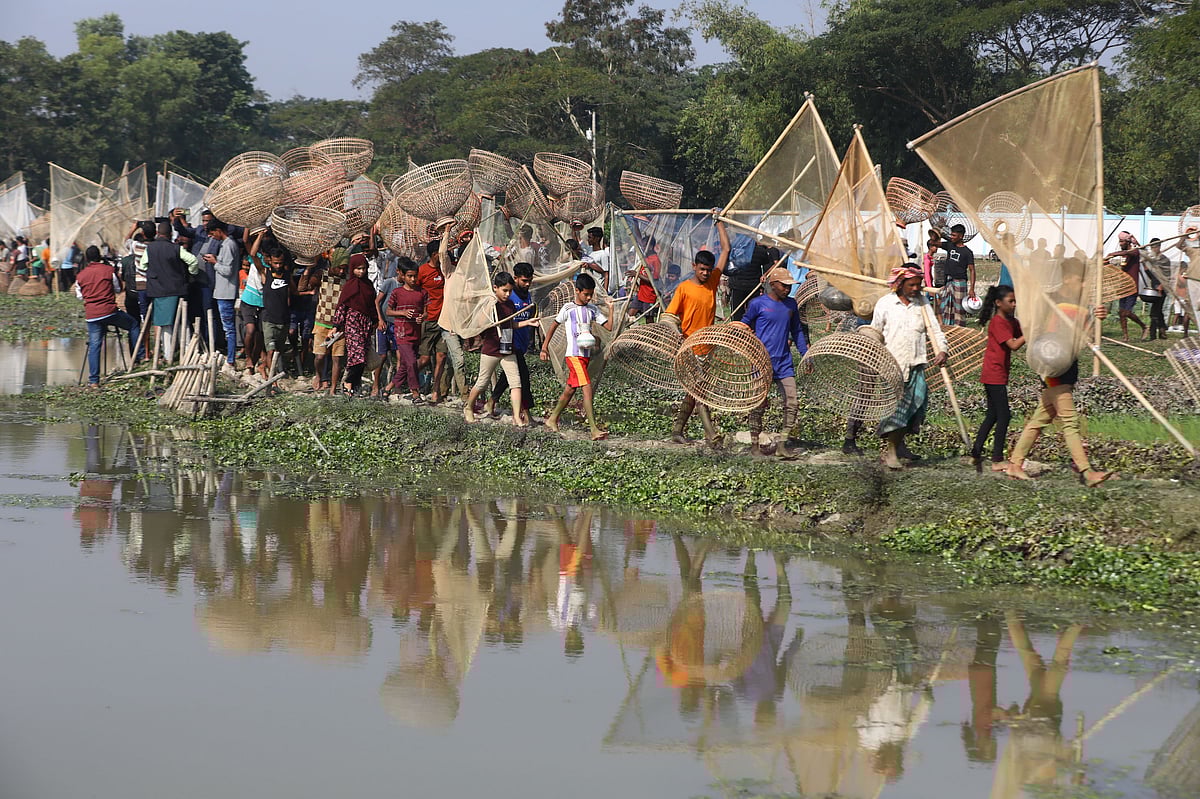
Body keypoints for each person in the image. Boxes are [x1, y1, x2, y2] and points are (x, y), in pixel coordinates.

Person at [1006, 258, 1113, 487]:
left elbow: (1086, 338)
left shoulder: (1084, 305)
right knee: (1070, 422)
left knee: (1038, 421)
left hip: (1069, 364)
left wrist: (1097, 319)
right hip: (1052, 366)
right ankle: (1086, 471)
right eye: (1080, 280)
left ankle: (1015, 464)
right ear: (1067, 278)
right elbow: (1036, 332)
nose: (1084, 285)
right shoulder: (1050, 300)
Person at [871, 264, 948, 469]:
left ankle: (899, 445)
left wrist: (942, 350)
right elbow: (875, 333)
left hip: (915, 362)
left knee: (917, 404)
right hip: (892, 365)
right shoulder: (885, 304)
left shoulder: (922, 304)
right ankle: (890, 452)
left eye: (918, 285)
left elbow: (935, 330)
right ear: (900, 284)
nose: (916, 289)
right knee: (898, 409)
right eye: (912, 285)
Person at [665, 217, 731, 447]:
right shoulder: (684, 289)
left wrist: (719, 221)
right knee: (701, 392)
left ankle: (677, 430)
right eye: (702, 269)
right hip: (690, 349)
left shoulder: (713, 282)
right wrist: (678, 336)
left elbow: (726, 249)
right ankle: (712, 435)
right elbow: (669, 316)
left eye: (708, 270)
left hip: (707, 348)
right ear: (694, 266)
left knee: (694, 392)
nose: (705, 273)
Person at [739, 266, 808, 458]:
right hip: (761, 362)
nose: (787, 289)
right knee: (758, 404)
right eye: (784, 285)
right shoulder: (758, 304)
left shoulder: (791, 305)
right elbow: (744, 324)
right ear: (773, 284)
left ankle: (782, 444)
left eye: (789, 286)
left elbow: (797, 331)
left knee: (792, 402)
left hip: (784, 362)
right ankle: (754, 445)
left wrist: (805, 354)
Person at [540, 273, 615, 440]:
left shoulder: (592, 309)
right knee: (587, 389)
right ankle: (593, 429)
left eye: (590, 294)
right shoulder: (568, 308)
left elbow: (609, 327)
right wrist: (544, 348)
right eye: (585, 294)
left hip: (584, 356)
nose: (588, 297)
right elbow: (553, 326)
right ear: (577, 291)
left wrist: (611, 308)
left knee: (570, 390)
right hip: (573, 355)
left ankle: (552, 419)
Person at [465, 272, 539, 426]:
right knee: (482, 383)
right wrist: (489, 309)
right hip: (491, 350)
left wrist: (528, 322)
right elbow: (480, 324)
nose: (508, 294)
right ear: (495, 288)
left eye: (510, 291)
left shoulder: (510, 304)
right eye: (504, 291)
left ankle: (517, 417)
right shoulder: (489, 304)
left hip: (507, 349)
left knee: (516, 383)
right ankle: (469, 407)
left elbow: (510, 324)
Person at [970, 285, 1024, 472]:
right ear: (998, 303)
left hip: (997, 373)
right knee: (1004, 416)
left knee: (993, 415)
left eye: (1016, 301)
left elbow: (1020, 331)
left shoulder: (1010, 321)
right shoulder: (998, 323)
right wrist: (1029, 332)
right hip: (994, 374)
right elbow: (1014, 344)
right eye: (1011, 301)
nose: (1014, 304)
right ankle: (997, 459)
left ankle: (976, 453)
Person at [75, 246, 141, 386]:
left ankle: (94, 381)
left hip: (92, 315)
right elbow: (117, 288)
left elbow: (80, 296)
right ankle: (139, 357)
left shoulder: (80, 275)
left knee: (94, 345)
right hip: (110, 311)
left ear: (87, 259)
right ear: (99, 256)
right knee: (134, 324)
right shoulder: (108, 271)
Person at [140, 221, 200, 359]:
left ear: (157, 233)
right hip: (177, 290)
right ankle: (186, 353)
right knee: (182, 323)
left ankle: (168, 356)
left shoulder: (150, 249)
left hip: (159, 291)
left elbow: (143, 266)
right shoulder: (176, 248)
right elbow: (193, 261)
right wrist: (192, 273)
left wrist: (154, 272)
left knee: (165, 324)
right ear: (170, 234)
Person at [489, 261, 536, 421]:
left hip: (521, 344)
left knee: (507, 378)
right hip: (510, 343)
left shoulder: (527, 295)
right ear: (515, 278)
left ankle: (491, 401)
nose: (527, 284)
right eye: (524, 280)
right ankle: (526, 413)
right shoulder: (508, 297)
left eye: (530, 280)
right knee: (524, 378)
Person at [332, 253, 378, 395]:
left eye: (363, 268)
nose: (361, 271)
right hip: (352, 323)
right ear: (352, 269)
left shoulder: (368, 285)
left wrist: (375, 321)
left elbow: (371, 305)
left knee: (362, 356)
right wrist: (336, 326)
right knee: (357, 355)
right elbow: (342, 307)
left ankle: (353, 387)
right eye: (358, 268)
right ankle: (347, 383)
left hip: (366, 324)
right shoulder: (349, 286)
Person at [386, 259, 426, 404]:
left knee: (405, 365)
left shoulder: (422, 292)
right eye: (409, 276)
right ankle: (415, 392)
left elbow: (426, 312)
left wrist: (422, 317)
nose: (413, 279)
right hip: (401, 333)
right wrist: (403, 313)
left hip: (416, 332)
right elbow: (389, 311)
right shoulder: (397, 292)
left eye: (415, 276)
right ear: (402, 275)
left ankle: (388, 388)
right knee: (411, 362)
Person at [416, 241, 450, 403]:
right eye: (440, 253)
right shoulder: (422, 271)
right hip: (428, 320)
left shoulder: (447, 269)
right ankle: (403, 379)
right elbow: (415, 293)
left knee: (441, 356)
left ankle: (436, 390)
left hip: (444, 320)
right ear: (434, 254)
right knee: (424, 359)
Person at [310, 253, 349, 394]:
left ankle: (332, 388)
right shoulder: (322, 275)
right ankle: (319, 376)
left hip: (339, 325)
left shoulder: (347, 280)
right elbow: (305, 285)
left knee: (337, 359)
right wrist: (308, 269)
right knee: (319, 356)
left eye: (344, 268)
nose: (341, 271)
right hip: (321, 322)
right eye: (339, 268)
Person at [205, 221, 239, 360]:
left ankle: (231, 359)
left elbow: (228, 270)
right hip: (222, 292)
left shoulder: (229, 245)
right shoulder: (225, 245)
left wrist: (215, 263)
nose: (212, 237)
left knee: (229, 329)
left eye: (213, 233)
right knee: (227, 327)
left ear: (219, 230)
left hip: (226, 293)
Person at [1106, 231, 1147, 341]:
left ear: (1127, 241)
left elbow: (1130, 253)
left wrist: (1113, 254)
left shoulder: (1134, 252)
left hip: (1132, 286)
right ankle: (1125, 336)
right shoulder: (1124, 253)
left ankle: (1144, 326)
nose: (1120, 243)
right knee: (1121, 312)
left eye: (1122, 241)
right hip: (1123, 285)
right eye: (1119, 241)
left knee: (1127, 312)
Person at [259, 249, 291, 377]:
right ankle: (272, 380)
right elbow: (253, 253)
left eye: (280, 263)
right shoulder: (265, 272)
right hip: (269, 320)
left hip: (283, 319)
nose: (278, 266)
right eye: (275, 263)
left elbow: (293, 291)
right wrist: (260, 235)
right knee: (271, 351)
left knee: (278, 351)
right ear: (270, 261)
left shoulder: (287, 274)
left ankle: (263, 367)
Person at [937, 224, 976, 326]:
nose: (952, 237)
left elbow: (972, 270)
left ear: (961, 236)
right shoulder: (950, 245)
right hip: (948, 281)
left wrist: (972, 288)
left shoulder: (967, 252)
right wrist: (938, 233)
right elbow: (934, 243)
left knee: (959, 309)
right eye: (951, 235)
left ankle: (959, 330)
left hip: (960, 282)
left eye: (954, 235)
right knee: (945, 307)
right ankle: (947, 329)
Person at [1139, 238, 1169, 341]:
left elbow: (1166, 275)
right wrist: (1145, 266)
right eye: (1151, 247)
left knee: (1154, 313)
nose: (1153, 249)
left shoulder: (1164, 259)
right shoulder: (1153, 259)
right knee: (1158, 311)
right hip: (1155, 289)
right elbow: (1152, 275)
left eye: (1155, 247)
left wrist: (1161, 285)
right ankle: (1162, 330)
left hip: (1162, 289)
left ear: (1159, 247)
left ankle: (1153, 335)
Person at [1173, 225, 1199, 331]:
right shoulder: (1193, 251)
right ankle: (1185, 333)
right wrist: (1185, 235)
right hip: (1193, 281)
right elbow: (1178, 246)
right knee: (1189, 309)